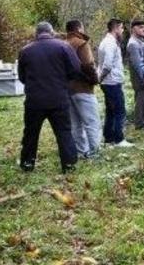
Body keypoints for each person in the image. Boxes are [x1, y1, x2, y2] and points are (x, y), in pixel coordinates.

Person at [18, 22, 80, 173]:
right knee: (64, 132)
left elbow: (21, 76)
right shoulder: (64, 47)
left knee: (31, 134)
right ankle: (69, 165)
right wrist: (63, 80)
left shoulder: (25, 51)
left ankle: (27, 164)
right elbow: (76, 69)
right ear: (51, 32)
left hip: (35, 101)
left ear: (36, 33)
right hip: (58, 98)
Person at [64, 20, 101, 159]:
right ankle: (95, 152)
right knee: (92, 122)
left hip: (68, 89)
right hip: (83, 88)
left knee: (75, 124)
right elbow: (88, 65)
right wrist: (95, 79)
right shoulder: (81, 43)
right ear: (79, 29)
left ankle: (81, 151)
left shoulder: (62, 44)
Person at [97, 18, 133, 147]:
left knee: (110, 111)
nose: (122, 31)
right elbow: (107, 65)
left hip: (108, 81)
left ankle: (109, 138)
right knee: (119, 111)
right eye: (121, 28)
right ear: (115, 28)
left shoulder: (105, 42)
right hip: (112, 82)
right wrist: (100, 78)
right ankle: (119, 139)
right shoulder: (110, 43)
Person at [126, 19, 144, 130]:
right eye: (141, 27)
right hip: (139, 77)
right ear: (133, 29)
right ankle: (141, 124)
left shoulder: (139, 41)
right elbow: (137, 64)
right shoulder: (133, 43)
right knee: (142, 101)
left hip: (143, 76)